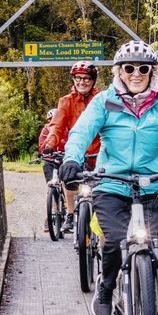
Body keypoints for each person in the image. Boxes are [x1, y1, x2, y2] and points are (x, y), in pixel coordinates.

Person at [59, 40, 158, 315]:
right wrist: (71, 159)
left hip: (152, 186)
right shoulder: (104, 101)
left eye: (144, 68)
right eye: (129, 68)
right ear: (119, 72)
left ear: (152, 72)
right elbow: (80, 133)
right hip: (111, 184)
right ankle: (105, 289)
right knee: (115, 242)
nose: (136, 73)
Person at [37, 62, 99, 233]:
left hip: (99, 152)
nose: (82, 82)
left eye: (86, 78)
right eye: (78, 78)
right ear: (73, 79)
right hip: (76, 152)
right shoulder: (66, 102)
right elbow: (56, 125)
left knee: (101, 189)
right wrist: (50, 145)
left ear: (93, 81)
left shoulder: (101, 99)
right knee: (69, 177)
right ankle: (70, 215)